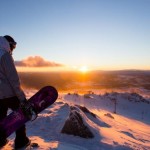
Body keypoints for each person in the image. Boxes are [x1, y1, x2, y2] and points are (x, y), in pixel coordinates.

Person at [0, 35, 30, 149]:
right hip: (10, 94)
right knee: (20, 116)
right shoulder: (4, 55)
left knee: (0, 118)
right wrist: (22, 98)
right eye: (13, 47)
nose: (12, 50)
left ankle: (0, 140)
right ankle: (21, 142)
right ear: (9, 44)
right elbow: (13, 79)